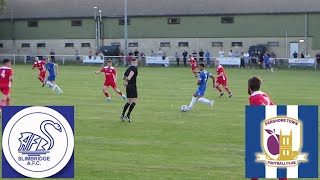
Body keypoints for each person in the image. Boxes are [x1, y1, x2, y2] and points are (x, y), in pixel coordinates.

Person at [120, 58, 138, 123]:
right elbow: (132, 73)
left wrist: (126, 80)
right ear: (135, 62)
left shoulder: (128, 68)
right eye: (136, 62)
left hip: (128, 87)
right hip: (132, 86)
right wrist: (128, 80)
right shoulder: (134, 68)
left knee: (129, 102)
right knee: (134, 101)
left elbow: (123, 77)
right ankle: (128, 115)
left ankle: (122, 115)